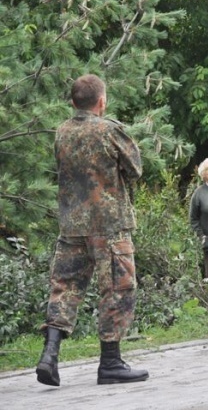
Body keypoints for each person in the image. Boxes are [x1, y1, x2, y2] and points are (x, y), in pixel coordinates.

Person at [36, 74, 149, 387]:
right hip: (108, 225)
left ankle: (50, 354)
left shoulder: (61, 131)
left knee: (64, 287)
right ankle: (111, 362)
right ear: (102, 102)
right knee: (116, 289)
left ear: (73, 102)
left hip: (71, 224)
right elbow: (135, 169)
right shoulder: (109, 129)